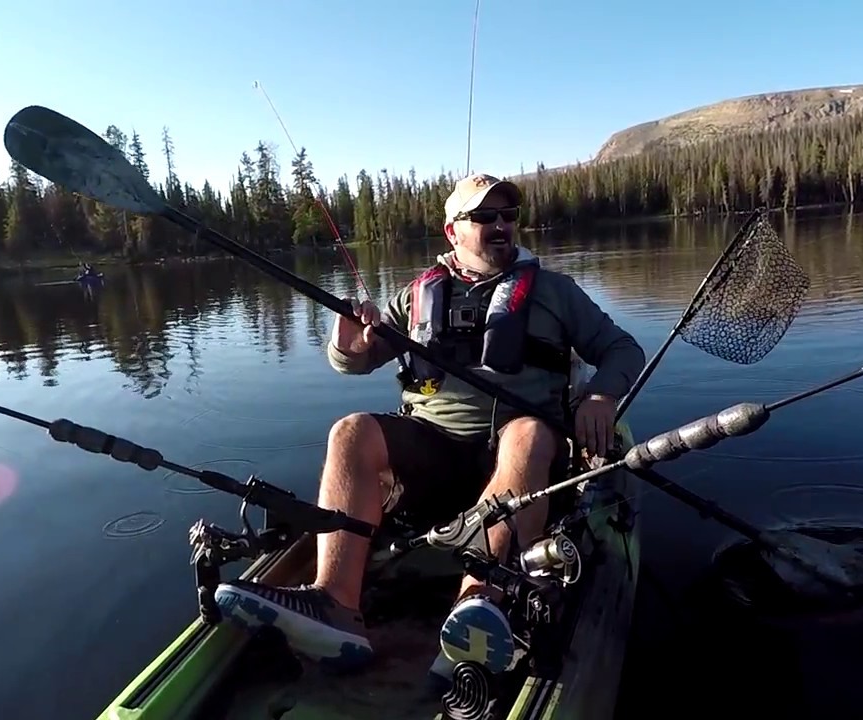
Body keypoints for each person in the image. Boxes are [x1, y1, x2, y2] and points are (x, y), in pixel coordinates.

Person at [214, 172, 647, 674]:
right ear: (453, 231)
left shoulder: (555, 292)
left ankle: (478, 603)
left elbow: (623, 349)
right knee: (349, 431)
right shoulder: (418, 294)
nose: (502, 225)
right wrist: (348, 340)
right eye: (485, 216)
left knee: (528, 433)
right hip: (433, 451)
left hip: (521, 452)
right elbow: (353, 361)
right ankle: (334, 603)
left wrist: (598, 394)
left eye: (509, 216)